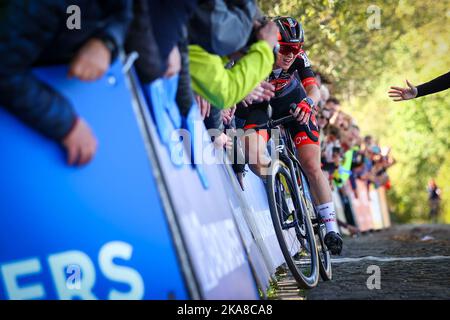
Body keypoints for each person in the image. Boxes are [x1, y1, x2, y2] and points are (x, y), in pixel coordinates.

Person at [241, 16, 343, 255]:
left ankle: (330, 228)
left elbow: (313, 88)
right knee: (253, 155)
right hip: (260, 106)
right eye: (285, 49)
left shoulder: (298, 57)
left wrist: (309, 103)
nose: (290, 55)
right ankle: (282, 180)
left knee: (311, 164)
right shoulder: (256, 54)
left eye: (295, 50)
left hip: (294, 103)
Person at [0, 0, 132, 166]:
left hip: (59, 71)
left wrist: (105, 42)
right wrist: (66, 124)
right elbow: (5, 70)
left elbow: (122, 14)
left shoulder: (73, 11)